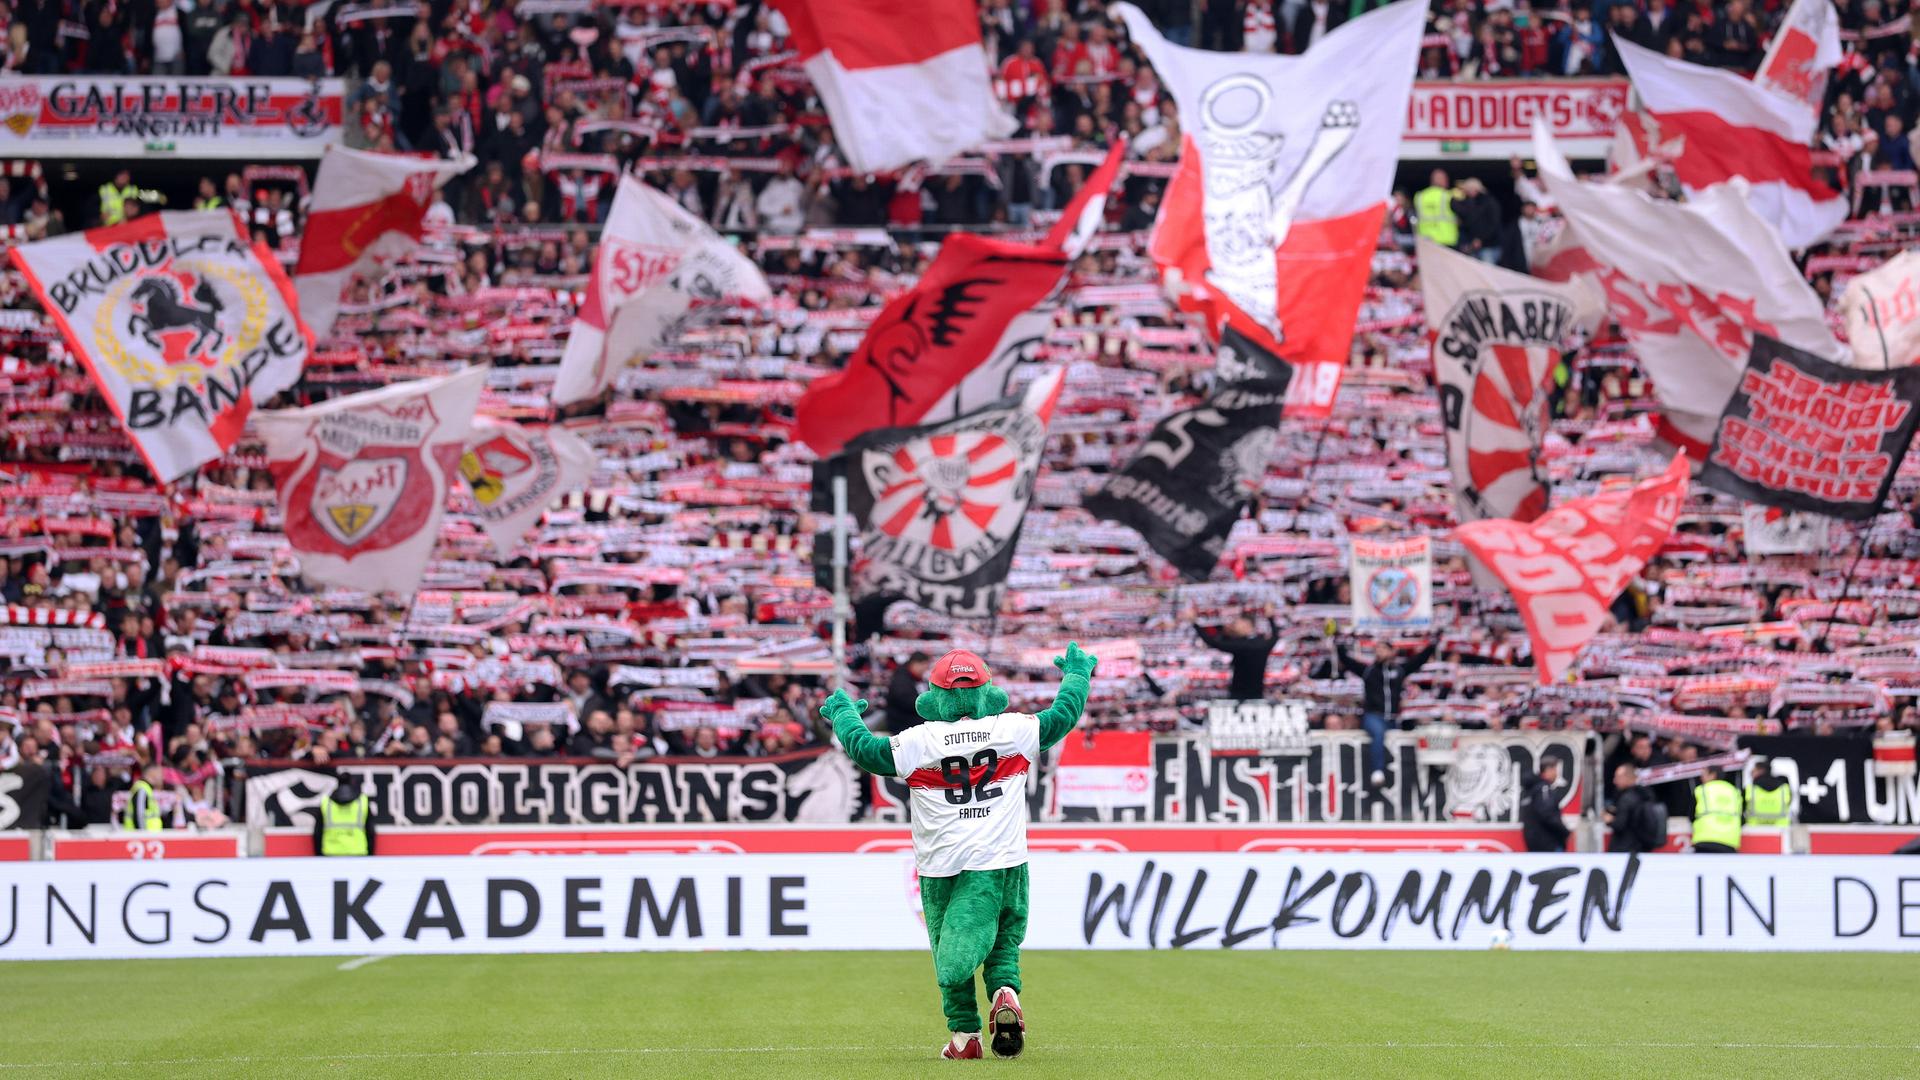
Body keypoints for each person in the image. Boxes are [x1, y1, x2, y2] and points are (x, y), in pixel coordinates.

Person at [821, 644, 1096, 1060]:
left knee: (948, 949)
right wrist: (1076, 674)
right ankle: (1004, 992)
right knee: (1003, 939)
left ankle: (965, 1034)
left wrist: (844, 713)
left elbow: (865, 751)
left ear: (935, 697)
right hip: (1006, 859)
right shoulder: (1014, 729)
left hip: (942, 865)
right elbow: (1064, 715)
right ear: (988, 692)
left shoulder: (917, 740)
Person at [1336, 637, 1437, 787]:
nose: (1379, 651)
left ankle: (1404, 780)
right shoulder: (1368, 671)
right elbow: (1347, 660)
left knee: (1398, 743)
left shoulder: (1399, 670)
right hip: (1373, 716)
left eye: (1383, 648)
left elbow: (1419, 660)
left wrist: (1432, 644)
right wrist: (1339, 644)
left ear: (1392, 652)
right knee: (1378, 733)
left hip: (1393, 719)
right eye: (1377, 649)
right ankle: (1377, 771)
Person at [1194, 611, 1279, 702]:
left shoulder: (1242, 645)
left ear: (1246, 625)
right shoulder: (1262, 643)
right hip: (1257, 693)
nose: (1234, 626)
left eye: (1237, 623)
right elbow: (1275, 636)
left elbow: (1215, 643)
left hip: (1239, 695)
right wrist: (1270, 618)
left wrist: (1195, 624)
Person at [1606, 762, 1660, 854]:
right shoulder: (1646, 794)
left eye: (1617, 777)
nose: (1614, 781)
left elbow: (1619, 825)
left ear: (1626, 777)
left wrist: (1609, 820)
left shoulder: (1626, 798)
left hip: (1624, 848)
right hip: (1643, 847)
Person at [314, 775, 375, 855]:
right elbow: (370, 831)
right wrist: (370, 854)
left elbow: (317, 832)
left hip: (330, 853)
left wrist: (319, 855)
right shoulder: (363, 802)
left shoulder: (326, 803)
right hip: (358, 852)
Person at [1521, 759, 1571, 853]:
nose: (1556, 774)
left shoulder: (1531, 790)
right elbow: (1547, 814)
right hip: (1549, 843)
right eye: (1555, 770)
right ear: (1548, 770)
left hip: (1535, 842)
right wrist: (1565, 832)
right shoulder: (1544, 789)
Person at [1692, 763, 1743, 853]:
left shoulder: (1701, 790)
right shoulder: (1734, 791)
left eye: (1704, 774)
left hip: (1705, 839)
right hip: (1730, 841)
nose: (1701, 778)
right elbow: (1741, 817)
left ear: (1713, 775)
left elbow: (1691, 814)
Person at [885, 652, 933, 733]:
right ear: (914, 664)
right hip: (902, 723)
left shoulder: (920, 679)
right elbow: (907, 702)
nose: (924, 670)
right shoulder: (900, 680)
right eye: (923, 666)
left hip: (915, 721)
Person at [1413, 169, 1459, 248]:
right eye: (1446, 179)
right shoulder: (1448, 196)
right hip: (1446, 241)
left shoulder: (1420, 196)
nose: (1447, 181)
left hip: (1425, 242)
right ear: (1441, 180)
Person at [1744, 758, 1793, 831]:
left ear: (1761, 771)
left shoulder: (1750, 789)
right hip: (1780, 831)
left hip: (1754, 831)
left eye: (1754, 770)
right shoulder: (1784, 788)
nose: (1751, 773)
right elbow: (1789, 803)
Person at [123, 763, 166, 831]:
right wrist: (142, 834)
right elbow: (139, 815)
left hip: (149, 835)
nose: (162, 777)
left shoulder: (146, 788)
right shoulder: (142, 789)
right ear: (152, 772)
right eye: (160, 773)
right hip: (141, 835)